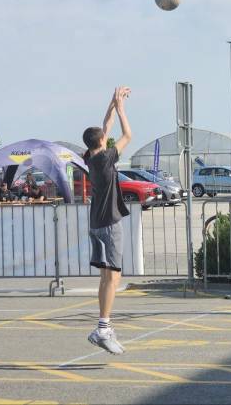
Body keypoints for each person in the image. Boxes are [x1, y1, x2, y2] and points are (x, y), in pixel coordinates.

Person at [82, 86, 133, 355]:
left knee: (106, 277)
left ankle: (103, 327)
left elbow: (106, 126)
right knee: (113, 277)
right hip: (110, 223)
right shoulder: (104, 159)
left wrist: (112, 103)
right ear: (102, 142)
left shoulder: (90, 157)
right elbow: (127, 135)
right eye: (104, 137)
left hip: (96, 223)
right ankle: (103, 329)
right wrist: (121, 109)